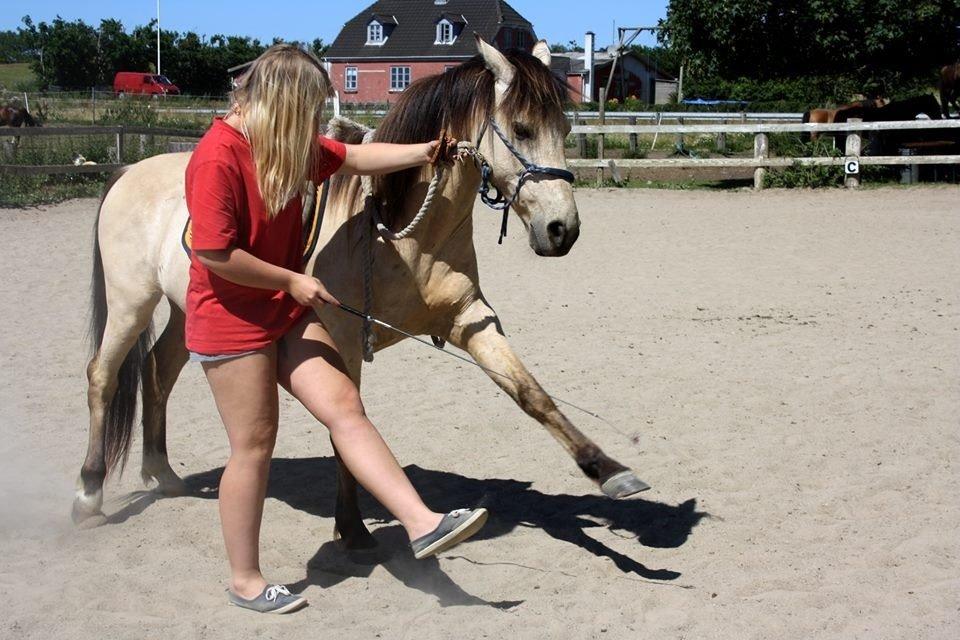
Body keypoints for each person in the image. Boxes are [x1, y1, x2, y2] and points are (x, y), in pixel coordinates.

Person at [185, 44, 487, 614]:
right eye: (313, 107)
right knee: (253, 445)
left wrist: (426, 151)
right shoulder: (218, 156)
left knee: (345, 404)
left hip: (280, 305)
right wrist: (292, 280)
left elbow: (352, 156)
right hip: (230, 318)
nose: (320, 119)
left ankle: (422, 523)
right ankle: (246, 581)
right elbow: (213, 251)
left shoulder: (285, 144)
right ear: (284, 102)